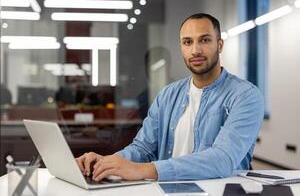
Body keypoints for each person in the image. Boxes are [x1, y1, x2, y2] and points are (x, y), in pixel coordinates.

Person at [75, 13, 264, 182]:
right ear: (181, 47)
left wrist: (144, 170)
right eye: (188, 42)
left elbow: (222, 160)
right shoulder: (167, 95)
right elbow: (143, 148)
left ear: (220, 44)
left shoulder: (245, 95)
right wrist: (106, 162)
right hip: (168, 188)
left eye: (204, 40)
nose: (195, 50)